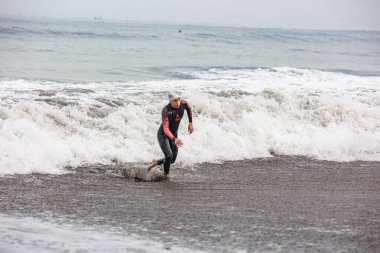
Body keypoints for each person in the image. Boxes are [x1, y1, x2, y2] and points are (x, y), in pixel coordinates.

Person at [148, 92, 194, 179]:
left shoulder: (183, 103)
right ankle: (166, 175)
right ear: (170, 101)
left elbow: (189, 110)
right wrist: (174, 139)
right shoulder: (166, 111)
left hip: (173, 135)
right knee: (168, 156)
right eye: (175, 101)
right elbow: (165, 129)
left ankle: (156, 163)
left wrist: (190, 123)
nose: (178, 102)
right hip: (163, 135)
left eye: (179, 99)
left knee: (172, 160)